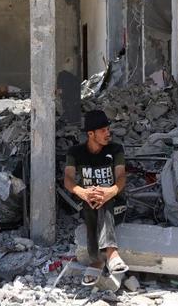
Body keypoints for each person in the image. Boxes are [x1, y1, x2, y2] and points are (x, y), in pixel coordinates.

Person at [64, 110, 129, 286]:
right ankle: (105, 256)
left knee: (103, 197)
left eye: (108, 129)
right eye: (103, 130)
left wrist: (112, 190)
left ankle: (106, 255)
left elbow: (121, 176)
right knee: (91, 200)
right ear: (90, 134)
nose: (108, 134)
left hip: (116, 204)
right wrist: (81, 192)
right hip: (89, 204)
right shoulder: (75, 152)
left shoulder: (115, 149)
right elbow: (68, 180)